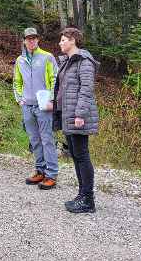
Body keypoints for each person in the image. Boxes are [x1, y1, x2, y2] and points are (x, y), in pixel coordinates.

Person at [54, 27, 99, 213]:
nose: (60, 43)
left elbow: (86, 89)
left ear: (73, 40)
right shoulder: (68, 62)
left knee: (82, 155)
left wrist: (80, 114)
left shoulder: (84, 61)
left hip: (78, 116)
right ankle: (82, 194)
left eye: (63, 40)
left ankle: (88, 200)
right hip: (68, 115)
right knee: (75, 155)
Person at [13, 27, 58, 190]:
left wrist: (52, 99)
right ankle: (40, 170)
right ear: (24, 41)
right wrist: (20, 99)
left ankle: (51, 174)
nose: (31, 41)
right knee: (34, 140)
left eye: (34, 38)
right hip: (27, 105)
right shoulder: (20, 60)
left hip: (44, 104)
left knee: (47, 139)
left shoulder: (47, 57)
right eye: (28, 38)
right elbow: (16, 81)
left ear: (38, 40)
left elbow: (55, 79)